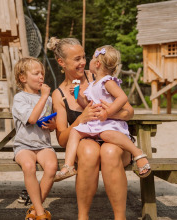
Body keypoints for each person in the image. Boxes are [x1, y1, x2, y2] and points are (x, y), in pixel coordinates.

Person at [48, 37, 134, 219]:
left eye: (83, 57)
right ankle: (83, 216)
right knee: (88, 150)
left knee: (109, 151)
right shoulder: (59, 94)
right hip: (87, 143)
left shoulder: (98, 75)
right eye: (76, 59)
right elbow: (63, 139)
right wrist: (81, 118)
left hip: (115, 140)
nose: (83, 63)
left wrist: (108, 114)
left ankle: (120, 217)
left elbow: (129, 112)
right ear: (61, 62)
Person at [54, 45, 151, 182]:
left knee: (106, 134)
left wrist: (108, 112)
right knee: (75, 131)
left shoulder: (107, 81)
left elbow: (123, 98)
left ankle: (138, 153)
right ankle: (68, 166)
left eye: (90, 58)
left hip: (108, 124)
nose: (86, 61)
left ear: (97, 64)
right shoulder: (93, 84)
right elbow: (89, 106)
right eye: (78, 58)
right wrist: (79, 98)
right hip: (97, 124)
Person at [12, 57, 57, 220]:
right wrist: (44, 97)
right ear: (23, 78)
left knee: (52, 167)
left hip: (44, 145)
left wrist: (52, 125)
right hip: (24, 146)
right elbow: (31, 119)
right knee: (29, 166)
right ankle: (40, 213)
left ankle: (33, 209)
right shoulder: (20, 98)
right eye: (36, 73)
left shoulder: (49, 99)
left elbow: (52, 123)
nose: (41, 77)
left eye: (42, 73)